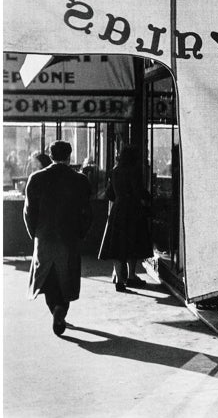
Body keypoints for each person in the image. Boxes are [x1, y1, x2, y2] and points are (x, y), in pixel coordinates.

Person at [23, 140, 92, 336]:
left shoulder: (36, 178)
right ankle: (61, 309)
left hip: (44, 236)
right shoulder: (80, 180)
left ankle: (55, 308)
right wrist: (81, 233)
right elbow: (87, 213)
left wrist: (35, 234)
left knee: (48, 278)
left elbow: (28, 212)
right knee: (67, 277)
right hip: (68, 238)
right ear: (69, 156)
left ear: (50, 156)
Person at [98, 144, 152, 291]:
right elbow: (138, 191)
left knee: (117, 244)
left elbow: (109, 193)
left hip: (118, 209)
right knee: (133, 243)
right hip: (133, 210)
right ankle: (131, 276)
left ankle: (120, 280)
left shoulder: (114, 171)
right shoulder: (134, 171)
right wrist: (148, 198)